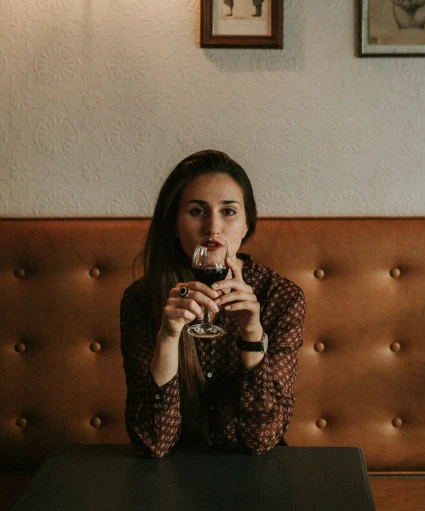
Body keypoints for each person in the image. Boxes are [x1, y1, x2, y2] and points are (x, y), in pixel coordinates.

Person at [120, 150, 305, 457]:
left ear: (247, 224)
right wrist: (167, 337)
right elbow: (154, 442)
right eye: (196, 211)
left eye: (228, 212)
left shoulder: (280, 297)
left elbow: (262, 439)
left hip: (252, 472)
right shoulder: (142, 299)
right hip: (172, 471)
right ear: (174, 225)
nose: (213, 228)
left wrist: (251, 335)